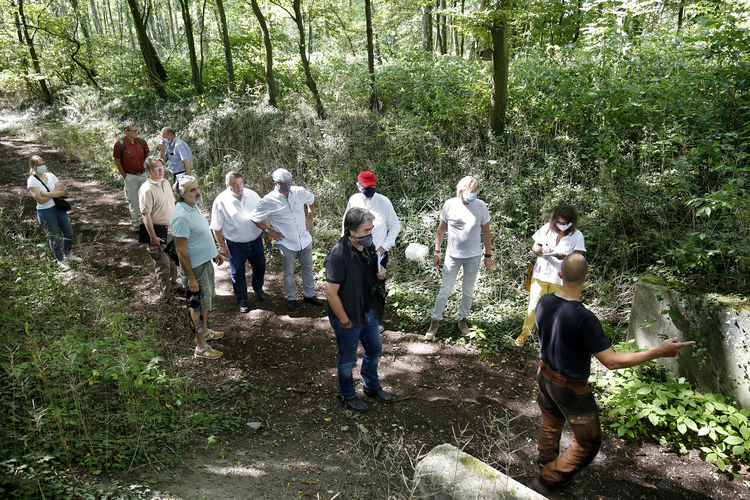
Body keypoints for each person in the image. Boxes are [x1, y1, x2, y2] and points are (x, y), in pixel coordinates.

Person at [531, 253, 694, 496]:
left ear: (559, 275)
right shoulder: (584, 318)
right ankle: (549, 479)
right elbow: (611, 361)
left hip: (544, 376)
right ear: (587, 278)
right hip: (570, 389)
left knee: (552, 423)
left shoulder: (545, 301)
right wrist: (658, 351)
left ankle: (547, 464)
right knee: (588, 442)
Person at [325, 208, 392, 413]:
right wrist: (344, 320)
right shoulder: (338, 255)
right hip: (348, 316)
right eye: (365, 231)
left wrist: (380, 273)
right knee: (348, 359)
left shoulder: (369, 247)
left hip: (367, 310)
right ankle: (347, 395)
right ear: (351, 231)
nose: (369, 234)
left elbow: (370, 271)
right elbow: (330, 293)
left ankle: (371, 386)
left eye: (371, 229)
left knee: (374, 349)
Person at [425, 176, 492, 339]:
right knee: (445, 290)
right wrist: (437, 251)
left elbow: (486, 232)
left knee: (468, 291)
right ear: (460, 191)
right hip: (452, 256)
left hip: (474, 256)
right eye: (471, 192)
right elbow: (441, 230)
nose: (474, 195)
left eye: (476, 192)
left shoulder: (481, 206)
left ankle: (462, 320)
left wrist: (488, 255)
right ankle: (435, 322)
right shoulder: (450, 204)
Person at [250, 168, 324, 311]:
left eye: (288, 183)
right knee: (288, 272)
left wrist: (310, 215)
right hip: (286, 242)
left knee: (308, 268)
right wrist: (268, 231)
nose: (286, 187)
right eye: (282, 185)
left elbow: (311, 200)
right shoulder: (268, 200)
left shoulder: (299, 191)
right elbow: (254, 218)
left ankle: (309, 295)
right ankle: (291, 298)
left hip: (305, 239)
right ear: (275, 183)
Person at [515, 203, 585, 347]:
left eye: (565, 223)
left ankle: (549, 339)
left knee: (554, 309)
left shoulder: (577, 235)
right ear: (554, 220)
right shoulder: (547, 228)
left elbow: (578, 257)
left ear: (572, 222)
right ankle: (525, 333)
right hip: (540, 274)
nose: (562, 225)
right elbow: (535, 246)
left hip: (559, 277)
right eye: (559, 222)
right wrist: (542, 250)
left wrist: (565, 257)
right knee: (533, 306)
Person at [171, 176, 225, 359]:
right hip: (194, 270)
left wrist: (214, 253)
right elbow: (180, 250)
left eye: (197, 188)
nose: (197, 192)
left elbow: (201, 235)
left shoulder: (193, 207)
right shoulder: (180, 216)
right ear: (182, 194)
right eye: (192, 190)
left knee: (205, 305)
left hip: (204, 264)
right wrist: (191, 277)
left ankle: (205, 332)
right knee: (197, 308)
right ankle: (201, 347)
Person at [343, 170, 401, 333]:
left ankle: (377, 319)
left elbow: (395, 226)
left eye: (373, 186)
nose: (370, 190)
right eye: (366, 187)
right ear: (358, 185)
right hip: (356, 251)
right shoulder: (354, 200)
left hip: (377, 253)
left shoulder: (383, 202)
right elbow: (346, 223)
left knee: (377, 285)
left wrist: (385, 246)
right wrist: (345, 245)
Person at [210, 171, 271, 313]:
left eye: (240, 183)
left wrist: (267, 232)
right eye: (234, 185)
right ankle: (242, 298)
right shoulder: (220, 201)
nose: (239, 187)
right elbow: (216, 227)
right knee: (238, 272)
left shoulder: (252, 195)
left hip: (255, 240)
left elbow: (263, 215)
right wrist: (221, 246)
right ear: (227, 185)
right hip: (235, 244)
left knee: (260, 266)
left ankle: (258, 288)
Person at [26, 155, 82, 271]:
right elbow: (39, 200)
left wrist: (46, 194)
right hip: (45, 211)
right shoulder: (32, 180)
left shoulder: (51, 176)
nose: (42, 166)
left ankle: (67, 254)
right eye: (39, 165)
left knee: (69, 233)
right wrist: (54, 193)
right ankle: (60, 260)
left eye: (43, 164)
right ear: (33, 166)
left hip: (58, 208)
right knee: (54, 237)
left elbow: (62, 192)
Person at [138, 157, 180, 303]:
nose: (161, 171)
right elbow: (146, 215)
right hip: (159, 233)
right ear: (148, 171)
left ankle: (173, 287)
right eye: (156, 169)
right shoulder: (146, 190)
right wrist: (153, 236)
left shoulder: (166, 183)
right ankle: (166, 296)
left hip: (173, 231)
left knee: (174, 262)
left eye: (162, 167)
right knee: (164, 266)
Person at [113, 122, 149, 230]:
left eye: (137, 130)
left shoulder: (142, 142)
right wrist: (125, 176)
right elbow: (117, 161)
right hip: (130, 176)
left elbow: (147, 157)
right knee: (133, 200)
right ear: (126, 131)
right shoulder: (120, 144)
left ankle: (148, 222)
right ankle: (136, 223)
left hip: (143, 175)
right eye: (133, 130)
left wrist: (148, 172)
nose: (136, 132)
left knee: (147, 199)